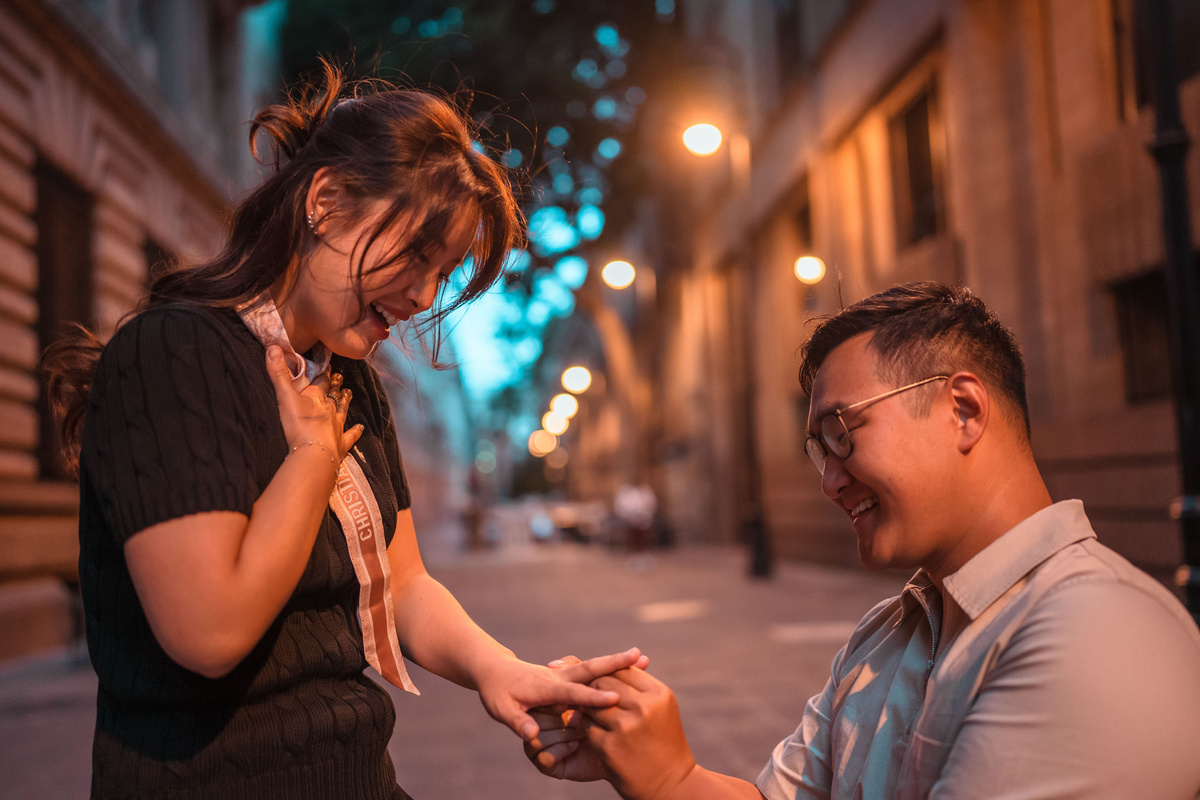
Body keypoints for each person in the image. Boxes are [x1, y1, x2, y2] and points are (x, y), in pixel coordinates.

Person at [43, 64, 643, 800]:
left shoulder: (343, 377)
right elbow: (208, 634)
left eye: (444, 272)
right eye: (418, 253)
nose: (423, 296)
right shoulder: (174, 353)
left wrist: (503, 670)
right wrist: (311, 456)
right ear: (325, 202)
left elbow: (405, 582)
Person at [526, 282, 1200, 799]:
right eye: (820, 449)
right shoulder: (890, 631)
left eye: (843, 433)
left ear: (963, 410)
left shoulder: (1096, 628)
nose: (830, 481)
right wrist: (665, 776)